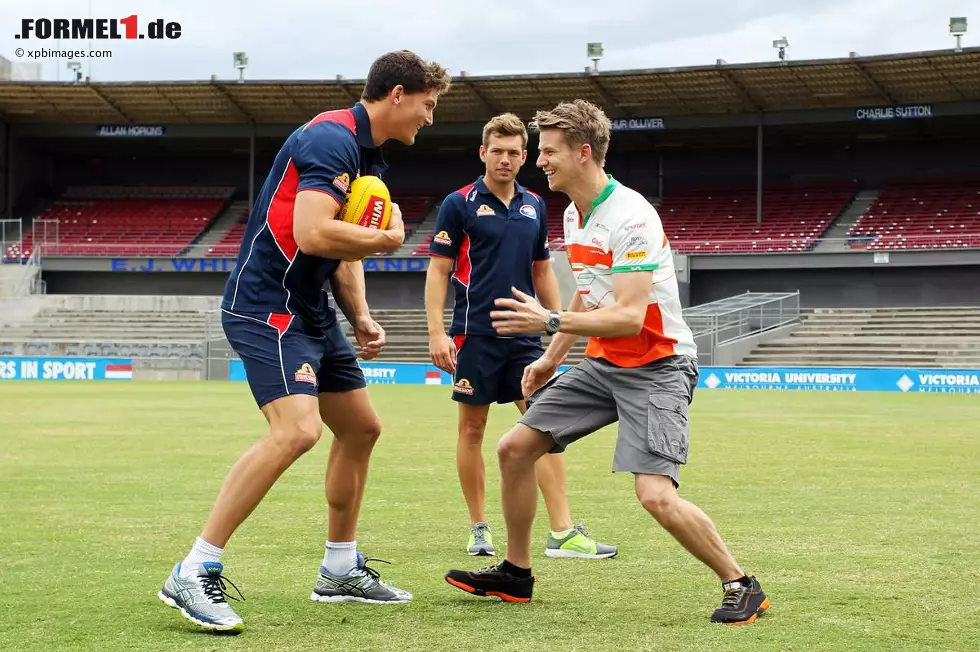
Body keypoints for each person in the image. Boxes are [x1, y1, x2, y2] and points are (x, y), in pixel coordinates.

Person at [157, 50, 452, 633]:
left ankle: (339, 569)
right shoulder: (329, 139)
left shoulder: (368, 158)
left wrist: (361, 315)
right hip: (266, 305)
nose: (430, 117)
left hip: (311, 311)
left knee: (362, 428)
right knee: (297, 430)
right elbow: (313, 233)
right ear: (397, 94)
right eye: (428, 104)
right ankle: (195, 568)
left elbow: (341, 251)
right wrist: (390, 240)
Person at [444, 100, 770, 626]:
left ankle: (741, 582)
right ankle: (517, 572)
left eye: (548, 151)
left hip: (660, 364)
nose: (540, 161)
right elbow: (589, 296)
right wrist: (551, 359)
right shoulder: (575, 213)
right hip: (604, 362)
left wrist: (548, 324)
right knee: (515, 448)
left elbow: (628, 317)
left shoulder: (632, 217)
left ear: (583, 151)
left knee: (654, 495)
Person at [425, 113, 616, 560]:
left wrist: (555, 322)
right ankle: (478, 527)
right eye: (498, 151)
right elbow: (439, 270)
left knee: (546, 426)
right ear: (483, 153)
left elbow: (542, 270)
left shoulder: (535, 204)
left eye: (514, 153)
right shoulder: (460, 203)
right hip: (474, 333)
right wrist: (437, 331)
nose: (505, 160)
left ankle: (563, 532)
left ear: (524, 156)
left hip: (527, 337)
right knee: (471, 429)